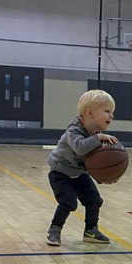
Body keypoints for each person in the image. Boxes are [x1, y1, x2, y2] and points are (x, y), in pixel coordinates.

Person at [46, 89, 118, 246]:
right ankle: (54, 229)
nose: (111, 116)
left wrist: (105, 177)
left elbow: (94, 162)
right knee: (68, 202)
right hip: (60, 172)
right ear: (89, 112)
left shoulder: (96, 133)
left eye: (112, 112)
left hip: (79, 173)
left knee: (94, 200)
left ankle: (91, 231)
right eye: (107, 111)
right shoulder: (74, 129)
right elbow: (80, 148)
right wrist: (98, 138)